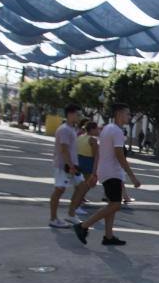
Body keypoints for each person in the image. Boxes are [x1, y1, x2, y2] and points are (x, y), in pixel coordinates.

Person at [73, 103, 141, 246]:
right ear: (119, 114)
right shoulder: (116, 131)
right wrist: (132, 176)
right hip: (112, 173)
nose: (129, 116)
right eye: (127, 113)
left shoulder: (106, 129)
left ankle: (108, 236)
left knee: (112, 204)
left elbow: (100, 153)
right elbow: (119, 155)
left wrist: (95, 173)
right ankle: (83, 226)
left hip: (106, 171)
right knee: (115, 205)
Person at [49, 104, 89, 228]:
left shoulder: (72, 129)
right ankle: (53, 218)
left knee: (82, 187)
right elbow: (64, 149)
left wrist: (73, 165)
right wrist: (70, 165)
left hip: (72, 165)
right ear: (70, 114)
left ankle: (71, 214)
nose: (79, 117)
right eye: (78, 114)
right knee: (59, 190)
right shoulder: (64, 129)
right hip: (63, 165)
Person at [76, 121, 99, 203]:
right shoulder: (93, 140)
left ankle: (80, 198)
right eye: (97, 129)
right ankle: (79, 199)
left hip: (79, 160)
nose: (98, 131)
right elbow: (95, 155)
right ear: (92, 129)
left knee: (81, 183)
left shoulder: (80, 137)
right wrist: (95, 170)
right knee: (88, 184)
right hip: (88, 162)